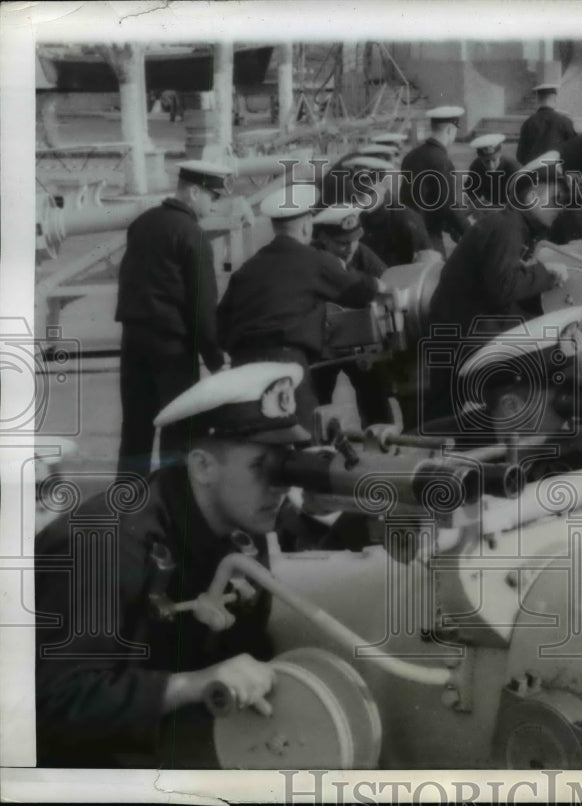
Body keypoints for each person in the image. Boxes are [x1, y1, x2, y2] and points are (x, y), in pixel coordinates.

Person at [35, 362, 315, 768]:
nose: (280, 484)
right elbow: (54, 698)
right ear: (202, 466)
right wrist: (188, 686)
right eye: (262, 467)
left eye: (285, 464)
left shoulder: (242, 522)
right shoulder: (103, 542)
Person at [217, 185, 383, 431]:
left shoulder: (247, 269)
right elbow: (361, 291)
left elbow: (220, 325)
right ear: (307, 226)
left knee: (253, 440)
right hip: (285, 364)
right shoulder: (313, 261)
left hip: (242, 368)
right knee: (304, 439)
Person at [423, 159, 568, 427]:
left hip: (458, 327)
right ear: (533, 196)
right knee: (448, 416)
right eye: (556, 198)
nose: (560, 207)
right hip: (461, 332)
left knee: (447, 410)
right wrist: (546, 274)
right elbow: (502, 287)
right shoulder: (508, 228)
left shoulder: (511, 224)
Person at [115, 160, 231, 477]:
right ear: (194, 192)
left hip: (134, 339)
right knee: (179, 427)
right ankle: (171, 500)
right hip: (172, 348)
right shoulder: (193, 235)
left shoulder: (143, 223)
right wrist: (215, 357)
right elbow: (201, 305)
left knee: (136, 428)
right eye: (212, 195)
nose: (214, 202)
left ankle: (128, 500)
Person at [310, 204, 395, 426]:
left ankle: (382, 443)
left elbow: (388, 284)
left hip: (358, 342)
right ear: (323, 239)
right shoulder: (308, 259)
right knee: (315, 403)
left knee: (374, 397)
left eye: (354, 240)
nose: (350, 248)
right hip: (320, 345)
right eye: (341, 243)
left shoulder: (361, 253)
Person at [332, 155, 437, 267]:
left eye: (369, 190)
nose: (360, 188)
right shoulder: (350, 216)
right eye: (356, 181)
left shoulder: (405, 219)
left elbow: (427, 265)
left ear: (385, 184)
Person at [400, 105, 470, 256]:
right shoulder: (442, 161)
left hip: (405, 234)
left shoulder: (410, 156)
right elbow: (449, 207)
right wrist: (470, 232)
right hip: (429, 239)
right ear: (450, 130)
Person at [516, 83, 577, 165]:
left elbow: (520, 156)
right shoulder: (565, 121)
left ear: (538, 100)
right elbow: (574, 149)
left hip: (534, 172)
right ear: (555, 99)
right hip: (557, 171)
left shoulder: (528, 123)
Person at [466, 133, 521, 210]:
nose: (491, 166)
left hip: (511, 209)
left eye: (494, 160)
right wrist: (477, 202)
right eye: (486, 161)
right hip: (488, 208)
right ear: (480, 158)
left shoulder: (513, 168)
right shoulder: (476, 166)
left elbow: (521, 195)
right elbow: (471, 190)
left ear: (500, 154)